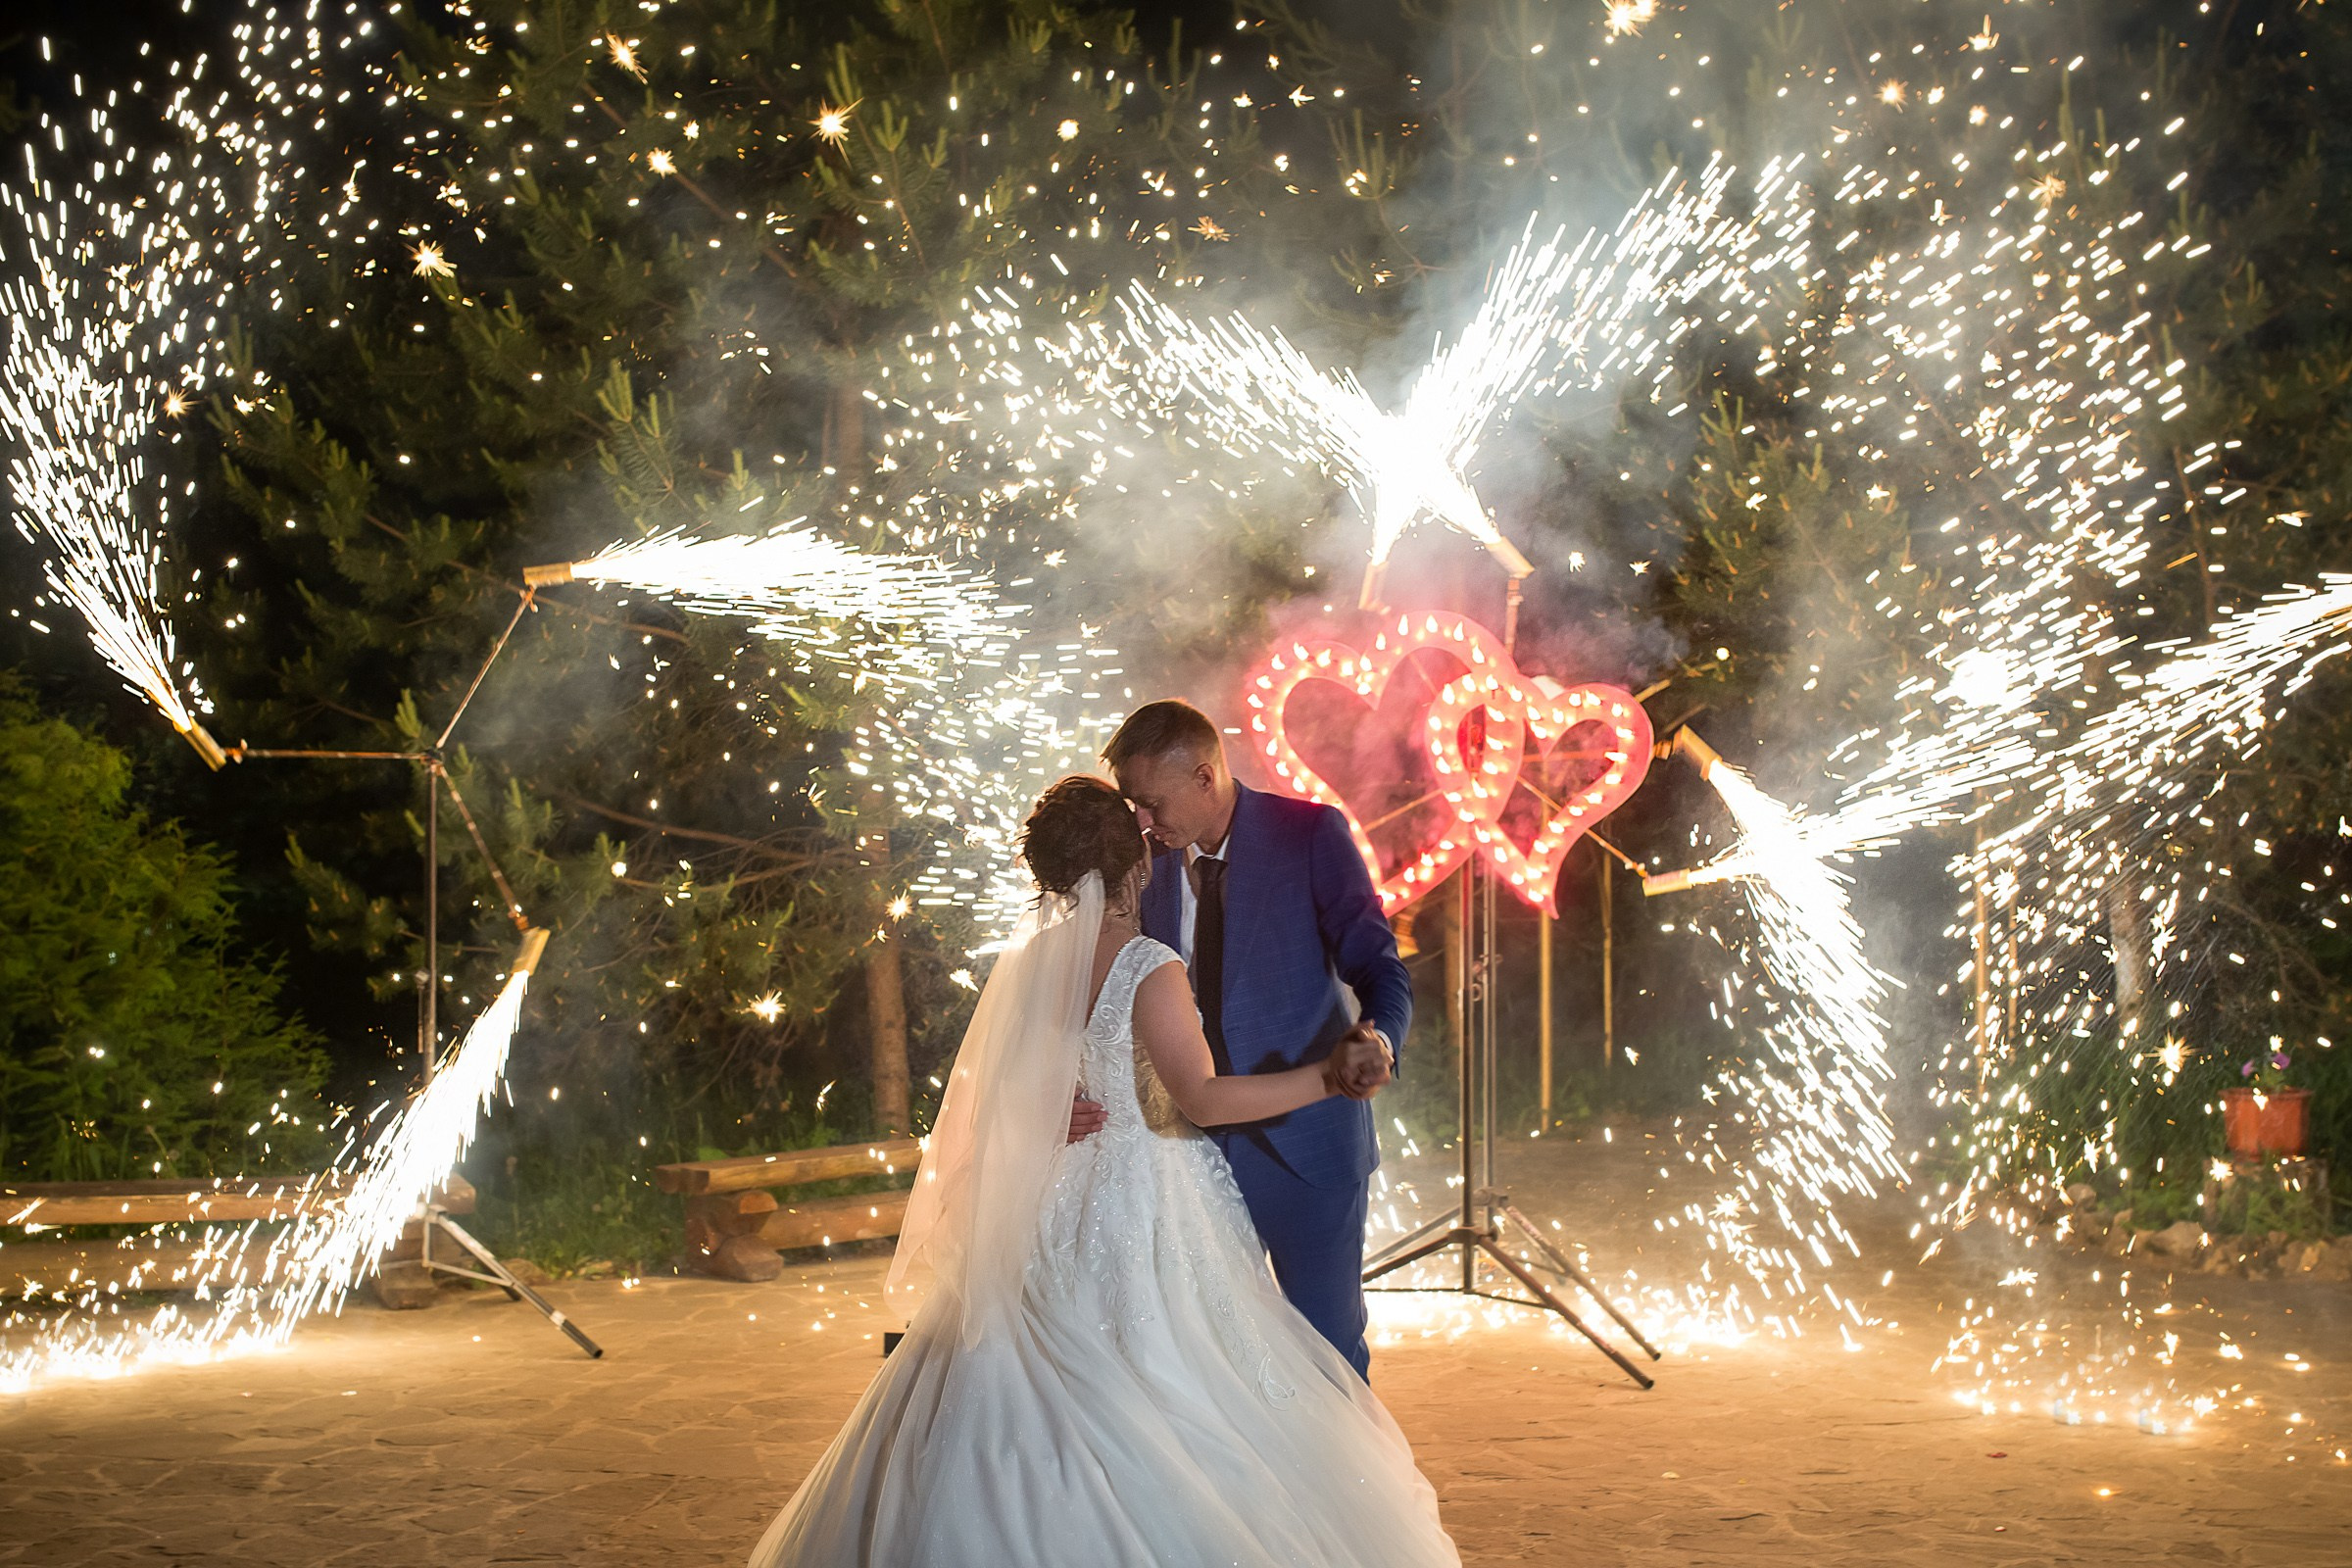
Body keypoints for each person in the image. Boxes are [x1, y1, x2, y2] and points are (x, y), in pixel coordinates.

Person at [748, 776, 1456, 1567]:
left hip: (1056, 1198)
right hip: (1150, 1196)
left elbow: (992, 1094)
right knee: (1187, 1375)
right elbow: (1205, 1099)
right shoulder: (1148, 965)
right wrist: (1328, 1078)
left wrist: (1045, 1115)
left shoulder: (1033, 960)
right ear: (1137, 867)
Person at [1076, 698, 1411, 1379]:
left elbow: (1377, 965)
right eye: (1131, 804)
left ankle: (1337, 1489)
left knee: (1328, 1357)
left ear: (1205, 777)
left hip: (1310, 1147)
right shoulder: (1139, 862)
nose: (1140, 821)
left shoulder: (1312, 834)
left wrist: (1379, 1039)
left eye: (1152, 803)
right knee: (1208, 1365)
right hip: (1179, 1155)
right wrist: (1061, 1086)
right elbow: (1095, 989)